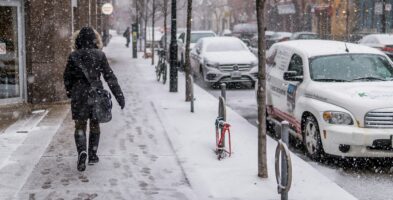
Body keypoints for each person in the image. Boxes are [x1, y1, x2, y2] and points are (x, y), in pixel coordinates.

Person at [64, 27, 125, 172]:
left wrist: (70, 91)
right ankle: (92, 154)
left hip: (79, 95)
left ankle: (82, 152)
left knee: (80, 125)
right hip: (96, 94)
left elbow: (67, 77)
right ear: (94, 40)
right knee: (94, 124)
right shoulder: (100, 55)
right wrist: (119, 96)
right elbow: (110, 77)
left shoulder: (73, 56)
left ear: (78, 40)